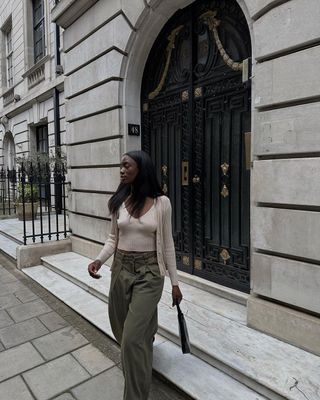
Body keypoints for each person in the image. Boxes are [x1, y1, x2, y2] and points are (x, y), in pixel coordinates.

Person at [88, 150, 183, 400]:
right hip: (120, 268)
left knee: (130, 341)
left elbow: (168, 244)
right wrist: (99, 259)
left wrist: (175, 283)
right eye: (121, 166)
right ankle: (145, 340)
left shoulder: (162, 203)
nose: (121, 170)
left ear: (141, 168)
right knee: (122, 330)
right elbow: (112, 238)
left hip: (150, 272)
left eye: (126, 165)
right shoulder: (119, 201)